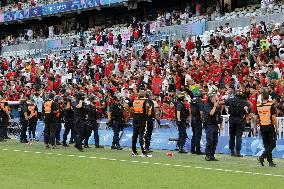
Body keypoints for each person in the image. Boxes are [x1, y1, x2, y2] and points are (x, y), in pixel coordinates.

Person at [224, 90, 250, 157]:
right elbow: (249, 107)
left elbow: (225, 102)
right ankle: (238, 152)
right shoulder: (244, 102)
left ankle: (232, 152)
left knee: (232, 136)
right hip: (240, 120)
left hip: (232, 119)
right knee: (238, 136)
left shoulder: (230, 100)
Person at [256, 91, 277, 167]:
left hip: (262, 127)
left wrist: (255, 127)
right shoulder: (271, 105)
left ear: (261, 97)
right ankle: (262, 157)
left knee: (266, 145)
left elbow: (257, 118)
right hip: (270, 126)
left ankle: (270, 161)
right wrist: (276, 127)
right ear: (268, 97)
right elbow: (273, 118)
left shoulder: (258, 106)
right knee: (272, 144)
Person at [203, 93, 221, 161]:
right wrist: (215, 106)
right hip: (209, 124)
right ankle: (207, 155)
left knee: (215, 140)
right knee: (210, 140)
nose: (215, 98)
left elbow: (218, 115)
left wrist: (220, 124)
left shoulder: (216, 105)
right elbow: (211, 113)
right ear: (210, 98)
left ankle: (212, 155)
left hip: (215, 124)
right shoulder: (207, 105)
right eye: (214, 97)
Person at [131, 90, 148, 156]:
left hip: (135, 118)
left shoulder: (135, 100)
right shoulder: (145, 100)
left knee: (134, 135)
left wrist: (132, 112)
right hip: (142, 119)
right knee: (141, 135)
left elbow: (126, 106)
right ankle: (143, 151)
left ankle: (133, 151)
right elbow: (148, 110)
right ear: (144, 95)